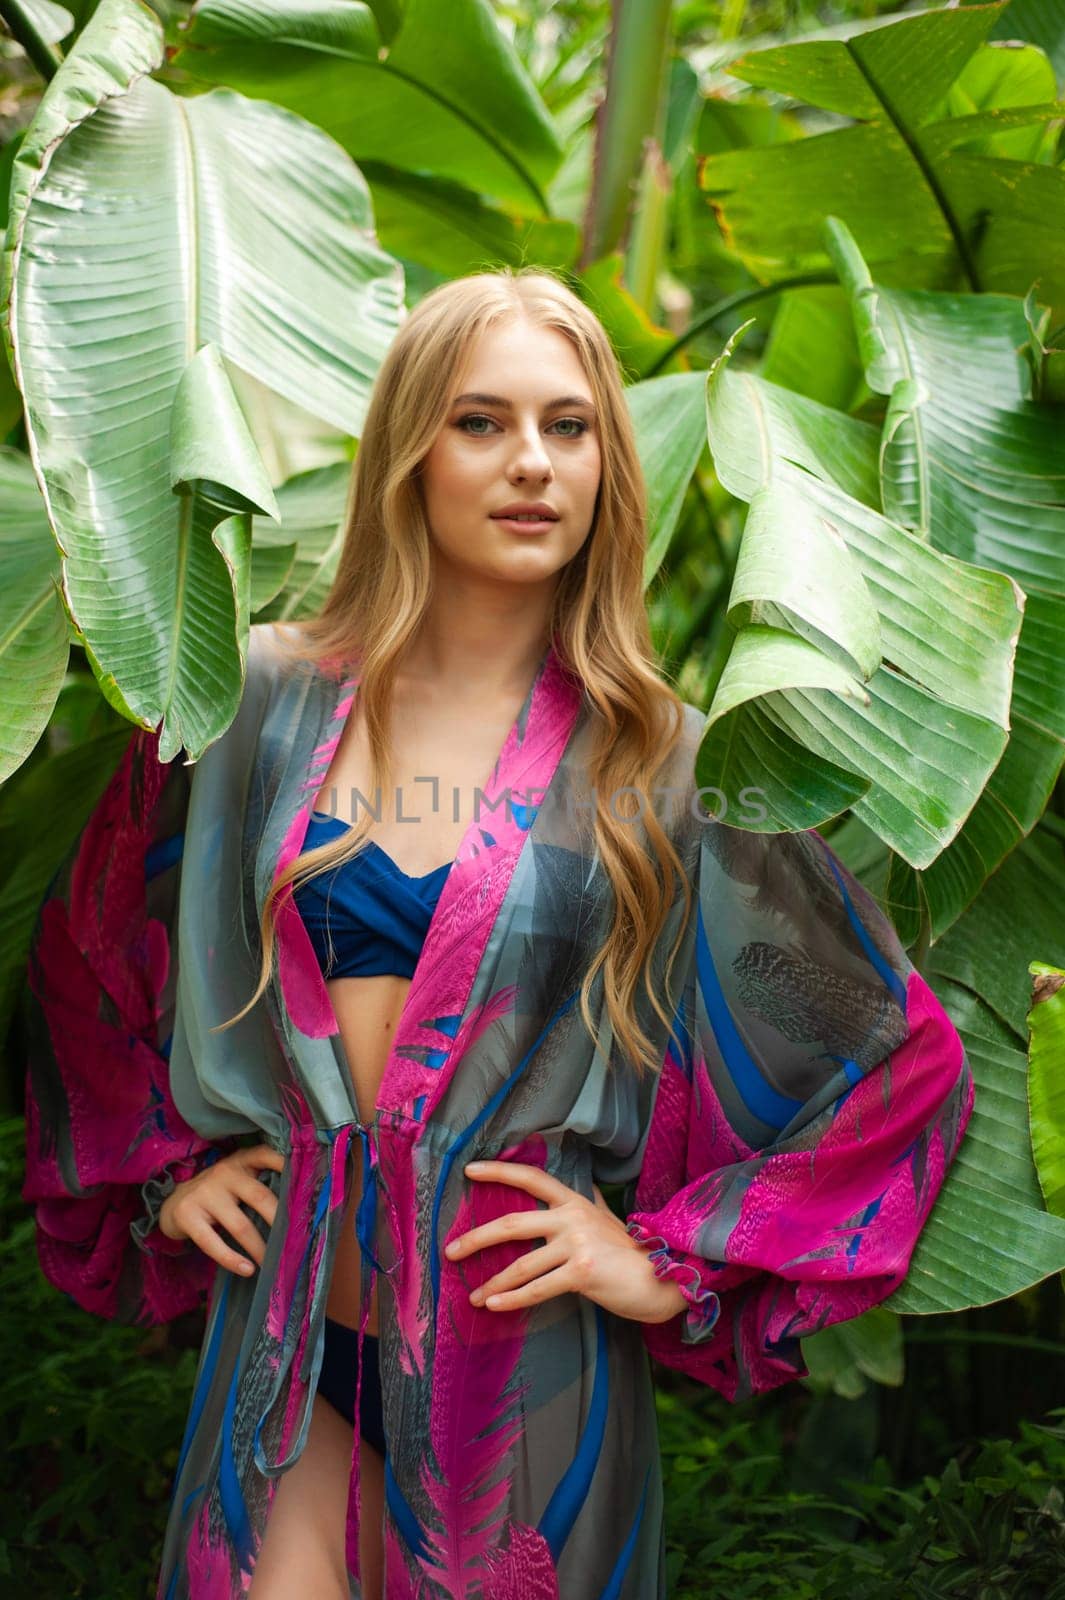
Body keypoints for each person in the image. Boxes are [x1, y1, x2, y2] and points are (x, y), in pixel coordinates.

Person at [22, 267, 974, 1600]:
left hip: (523, 1379)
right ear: (410, 446)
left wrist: (657, 1259)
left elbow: (891, 1060)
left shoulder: (662, 765)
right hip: (285, 1350)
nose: (531, 463)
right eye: (480, 421)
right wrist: (167, 1171)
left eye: (568, 426)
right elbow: (92, 953)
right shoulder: (252, 704)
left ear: (606, 466)